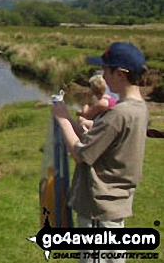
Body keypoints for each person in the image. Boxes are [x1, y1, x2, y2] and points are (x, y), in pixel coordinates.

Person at [52, 42, 149, 263]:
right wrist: (82, 128)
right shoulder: (138, 108)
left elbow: (80, 153)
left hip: (99, 208)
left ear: (121, 73)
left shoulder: (118, 114)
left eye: (106, 70)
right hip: (114, 206)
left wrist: (62, 117)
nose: (103, 76)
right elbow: (101, 143)